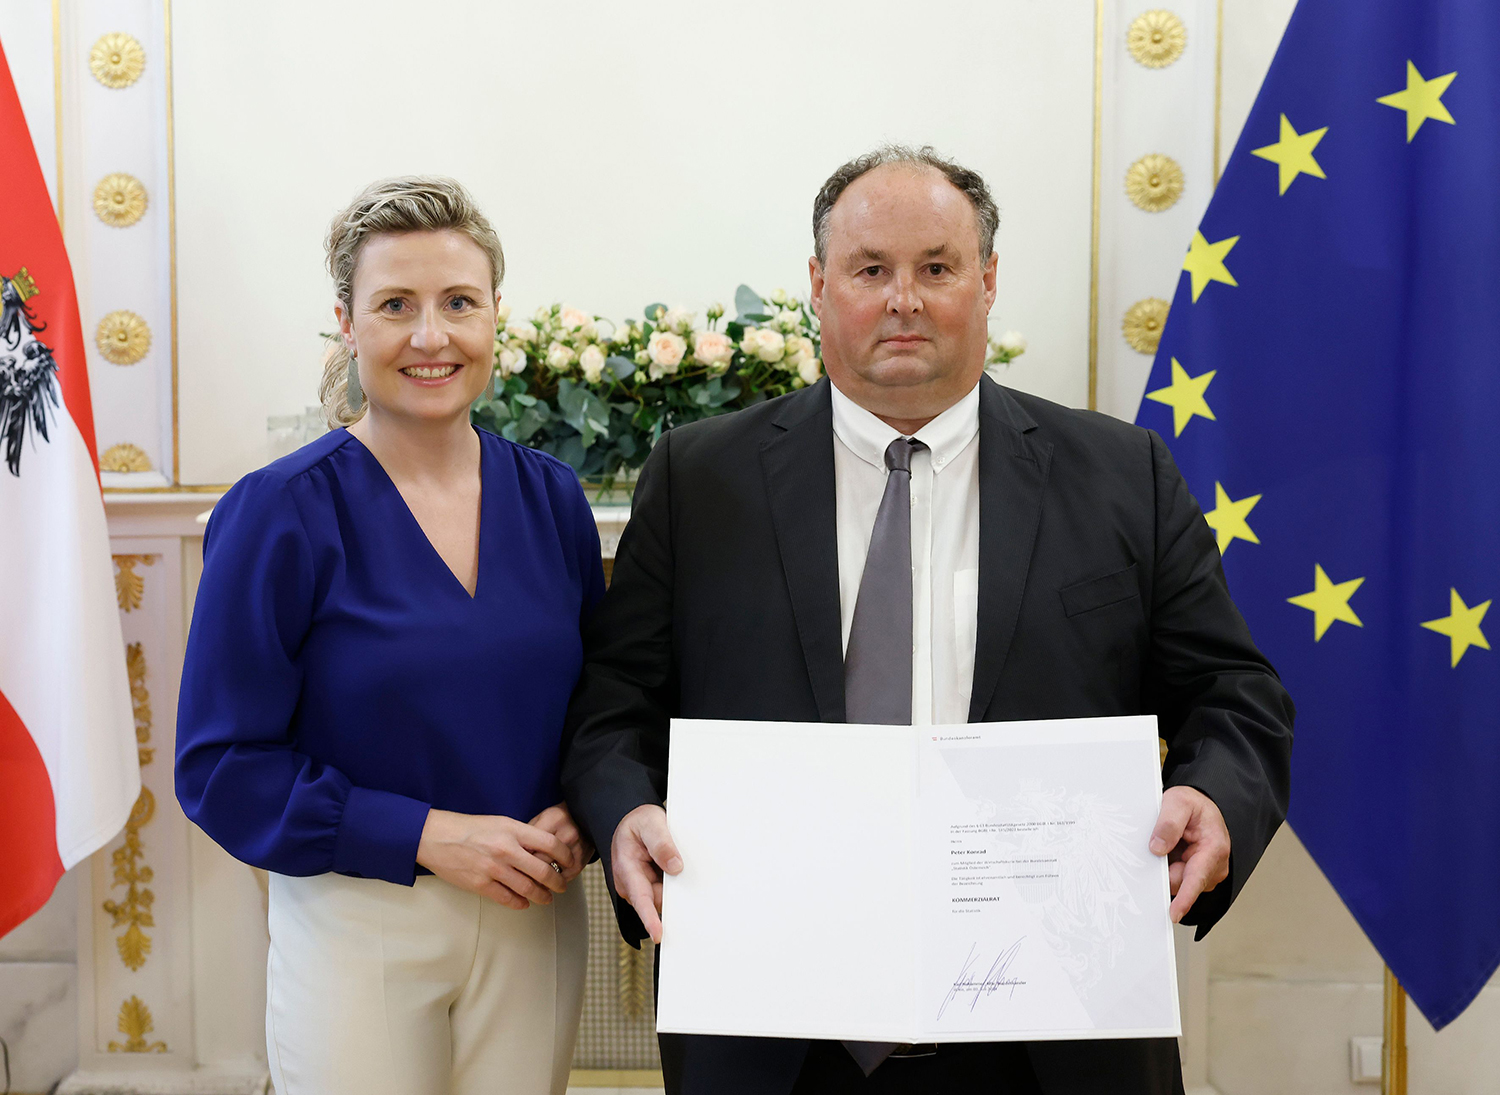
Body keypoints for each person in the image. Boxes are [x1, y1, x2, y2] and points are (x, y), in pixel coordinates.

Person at [561, 146, 1294, 1095]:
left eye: (937, 268)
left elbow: (1237, 697)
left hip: (1053, 1036)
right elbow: (612, 709)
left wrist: (1217, 799)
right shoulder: (699, 481)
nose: (904, 299)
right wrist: (624, 813)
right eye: (871, 270)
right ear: (819, 288)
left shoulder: (1125, 477)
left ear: (987, 284)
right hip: (773, 1035)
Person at [175, 176, 605, 1095]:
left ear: (497, 316)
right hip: (357, 919)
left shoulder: (552, 499)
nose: (430, 335)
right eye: (395, 305)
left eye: (458, 302)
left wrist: (587, 808)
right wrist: (425, 834)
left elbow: (598, 704)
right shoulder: (279, 512)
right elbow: (219, 765)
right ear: (348, 322)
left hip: (536, 916)